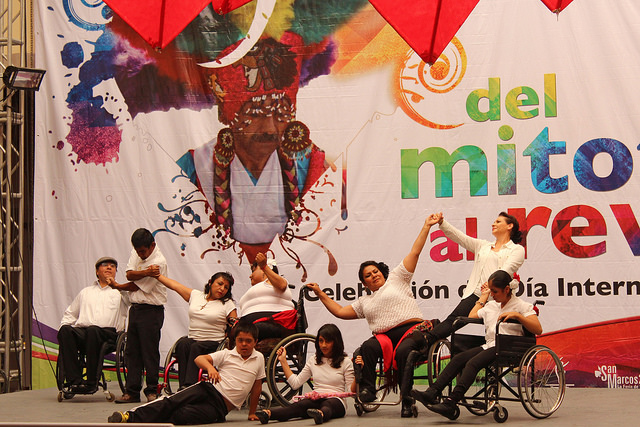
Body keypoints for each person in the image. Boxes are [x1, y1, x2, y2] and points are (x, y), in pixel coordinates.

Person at [176, 33, 330, 261]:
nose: (270, 128)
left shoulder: (311, 163)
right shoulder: (194, 166)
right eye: (256, 114)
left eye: (281, 114)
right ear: (230, 117)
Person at [307, 213, 439, 417]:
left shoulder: (397, 279)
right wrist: (320, 293)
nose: (373, 275)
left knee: (404, 351)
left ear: (382, 272)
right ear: (364, 283)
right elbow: (340, 311)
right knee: (366, 347)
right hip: (385, 338)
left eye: (375, 271)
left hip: (412, 330)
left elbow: (415, 252)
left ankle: (407, 399)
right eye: (368, 275)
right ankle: (367, 390)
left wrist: (426, 226)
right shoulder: (364, 301)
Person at [411, 269, 542, 420]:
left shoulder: (522, 306)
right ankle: (432, 392)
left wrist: (518, 316)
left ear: (507, 289)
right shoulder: (492, 306)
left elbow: (537, 329)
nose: (492, 294)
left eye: (495, 291)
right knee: (458, 359)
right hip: (491, 346)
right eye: (490, 290)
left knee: (473, 363)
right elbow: (472, 315)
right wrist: (483, 297)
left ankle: (451, 401)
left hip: (509, 347)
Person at [107, 321, 265, 424]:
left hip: (220, 408)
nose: (244, 344)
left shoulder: (259, 358)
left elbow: (257, 386)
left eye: (248, 341)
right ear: (235, 341)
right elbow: (199, 359)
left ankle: (153, 419)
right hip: (207, 389)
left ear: (255, 342)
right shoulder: (227, 354)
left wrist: (252, 413)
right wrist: (210, 368)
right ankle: (128, 417)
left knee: (182, 415)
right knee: (171, 402)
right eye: (240, 340)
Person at [426, 211, 525, 343]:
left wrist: (491, 284)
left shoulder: (517, 249)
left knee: (497, 332)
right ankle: (425, 341)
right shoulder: (483, 246)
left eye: (498, 222)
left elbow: (506, 270)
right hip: (478, 294)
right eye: (494, 222)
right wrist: (442, 223)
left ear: (509, 226)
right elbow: (460, 238)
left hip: (500, 297)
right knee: (454, 320)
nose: (493, 224)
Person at [108, 228, 168, 403]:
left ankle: (152, 390)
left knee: (149, 352)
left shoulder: (159, 261)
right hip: (135, 308)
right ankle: (132, 391)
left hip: (152, 310)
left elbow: (136, 285)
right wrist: (146, 272)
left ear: (152, 246)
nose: (140, 254)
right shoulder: (137, 253)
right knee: (132, 352)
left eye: (143, 251)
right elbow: (129, 275)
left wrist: (118, 286)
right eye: (137, 251)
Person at [254, 324, 356, 425]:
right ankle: (268, 414)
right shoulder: (313, 360)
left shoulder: (346, 362)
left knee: (328, 405)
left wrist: (358, 374)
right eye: (321, 341)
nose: (323, 345)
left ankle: (321, 414)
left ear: (336, 342)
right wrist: (283, 360)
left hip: (337, 401)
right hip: (316, 398)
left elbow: (352, 391)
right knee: (298, 406)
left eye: (328, 341)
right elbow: (295, 383)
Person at [57, 256, 128, 393]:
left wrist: (117, 286)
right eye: (105, 265)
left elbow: (133, 301)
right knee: (65, 330)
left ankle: (91, 382)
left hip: (109, 334)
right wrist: (63, 328)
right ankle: (74, 381)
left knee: (93, 330)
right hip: (85, 332)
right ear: (97, 271)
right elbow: (70, 313)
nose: (109, 267)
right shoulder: (86, 292)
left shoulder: (120, 292)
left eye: (113, 266)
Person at [156, 272, 237, 389]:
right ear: (210, 282)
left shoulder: (228, 304)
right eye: (220, 284)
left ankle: (190, 386)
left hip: (214, 343)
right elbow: (175, 286)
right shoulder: (196, 296)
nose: (222, 289)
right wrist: (157, 276)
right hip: (193, 339)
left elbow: (235, 326)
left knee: (196, 347)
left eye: (226, 287)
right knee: (183, 344)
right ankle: (183, 387)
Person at [237, 252, 295, 345]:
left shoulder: (276, 282)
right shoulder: (258, 288)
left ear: (264, 270)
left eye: (253, 271)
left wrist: (264, 266)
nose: (250, 276)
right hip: (248, 325)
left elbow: (282, 285)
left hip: (273, 323)